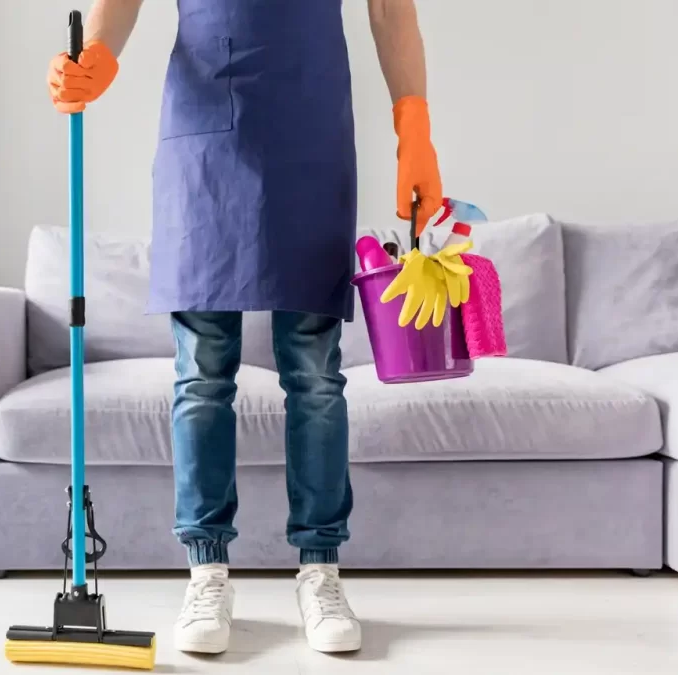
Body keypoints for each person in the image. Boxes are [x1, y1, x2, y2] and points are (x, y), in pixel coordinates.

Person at [47, 0, 443, 655]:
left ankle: (320, 569)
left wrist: (414, 121)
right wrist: (97, 52)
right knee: (203, 369)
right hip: (204, 129)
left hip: (312, 127)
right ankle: (207, 571)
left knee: (315, 370)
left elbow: (390, 10)